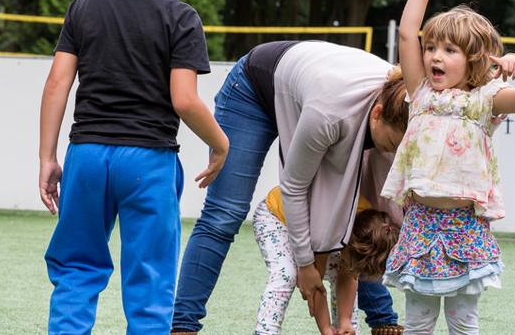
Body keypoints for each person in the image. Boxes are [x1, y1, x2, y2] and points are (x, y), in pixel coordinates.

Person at [38, 0, 229, 333]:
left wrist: (47, 157)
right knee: (150, 280)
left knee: (75, 266)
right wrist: (220, 143)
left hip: (87, 156)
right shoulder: (183, 17)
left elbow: (58, 82)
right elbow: (185, 100)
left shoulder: (84, 6)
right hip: (149, 163)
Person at [171, 40, 409, 335]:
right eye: (391, 144)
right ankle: (183, 325)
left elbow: (379, 208)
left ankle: (381, 317)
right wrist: (307, 266)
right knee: (224, 213)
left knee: (365, 214)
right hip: (254, 90)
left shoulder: (401, 105)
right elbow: (295, 187)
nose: (394, 152)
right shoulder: (330, 115)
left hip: (313, 92)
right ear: (377, 114)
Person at [382, 0, 515, 334]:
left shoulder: (484, 102)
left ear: (473, 59)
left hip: (464, 227)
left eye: (449, 50)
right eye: (432, 47)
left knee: (464, 321)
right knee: (418, 321)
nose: (435, 56)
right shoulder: (420, 94)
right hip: (420, 222)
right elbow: (406, 34)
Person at [253, 187, 398, 335]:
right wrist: (326, 329)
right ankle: (265, 330)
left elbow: (348, 275)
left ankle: (347, 329)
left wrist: (345, 321)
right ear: (348, 243)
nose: (355, 272)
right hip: (275, 217)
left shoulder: (367, 225)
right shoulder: (326, 229)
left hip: (322, 227)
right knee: (286, 273)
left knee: (342, 271)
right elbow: (314, 281)